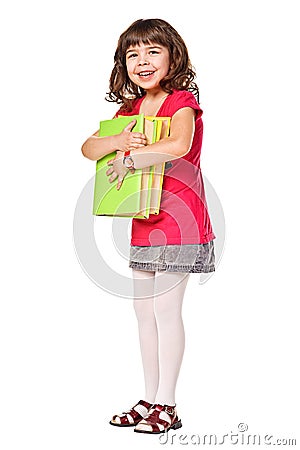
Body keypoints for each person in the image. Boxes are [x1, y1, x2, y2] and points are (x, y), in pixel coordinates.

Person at [81, 18, 216, 434]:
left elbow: (178, 144)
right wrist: (118, 142)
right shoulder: (130, 111)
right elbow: (88, 148)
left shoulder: (181, 102)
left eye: (153, 51)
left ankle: (168, 404)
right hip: (145, 220)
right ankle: (149, 398)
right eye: (132, 54)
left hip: (181, 220)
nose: (142, 61)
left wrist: (128, 159)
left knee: (165, 310)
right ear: (123, 64)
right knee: (143, 312)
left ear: (173, 56)